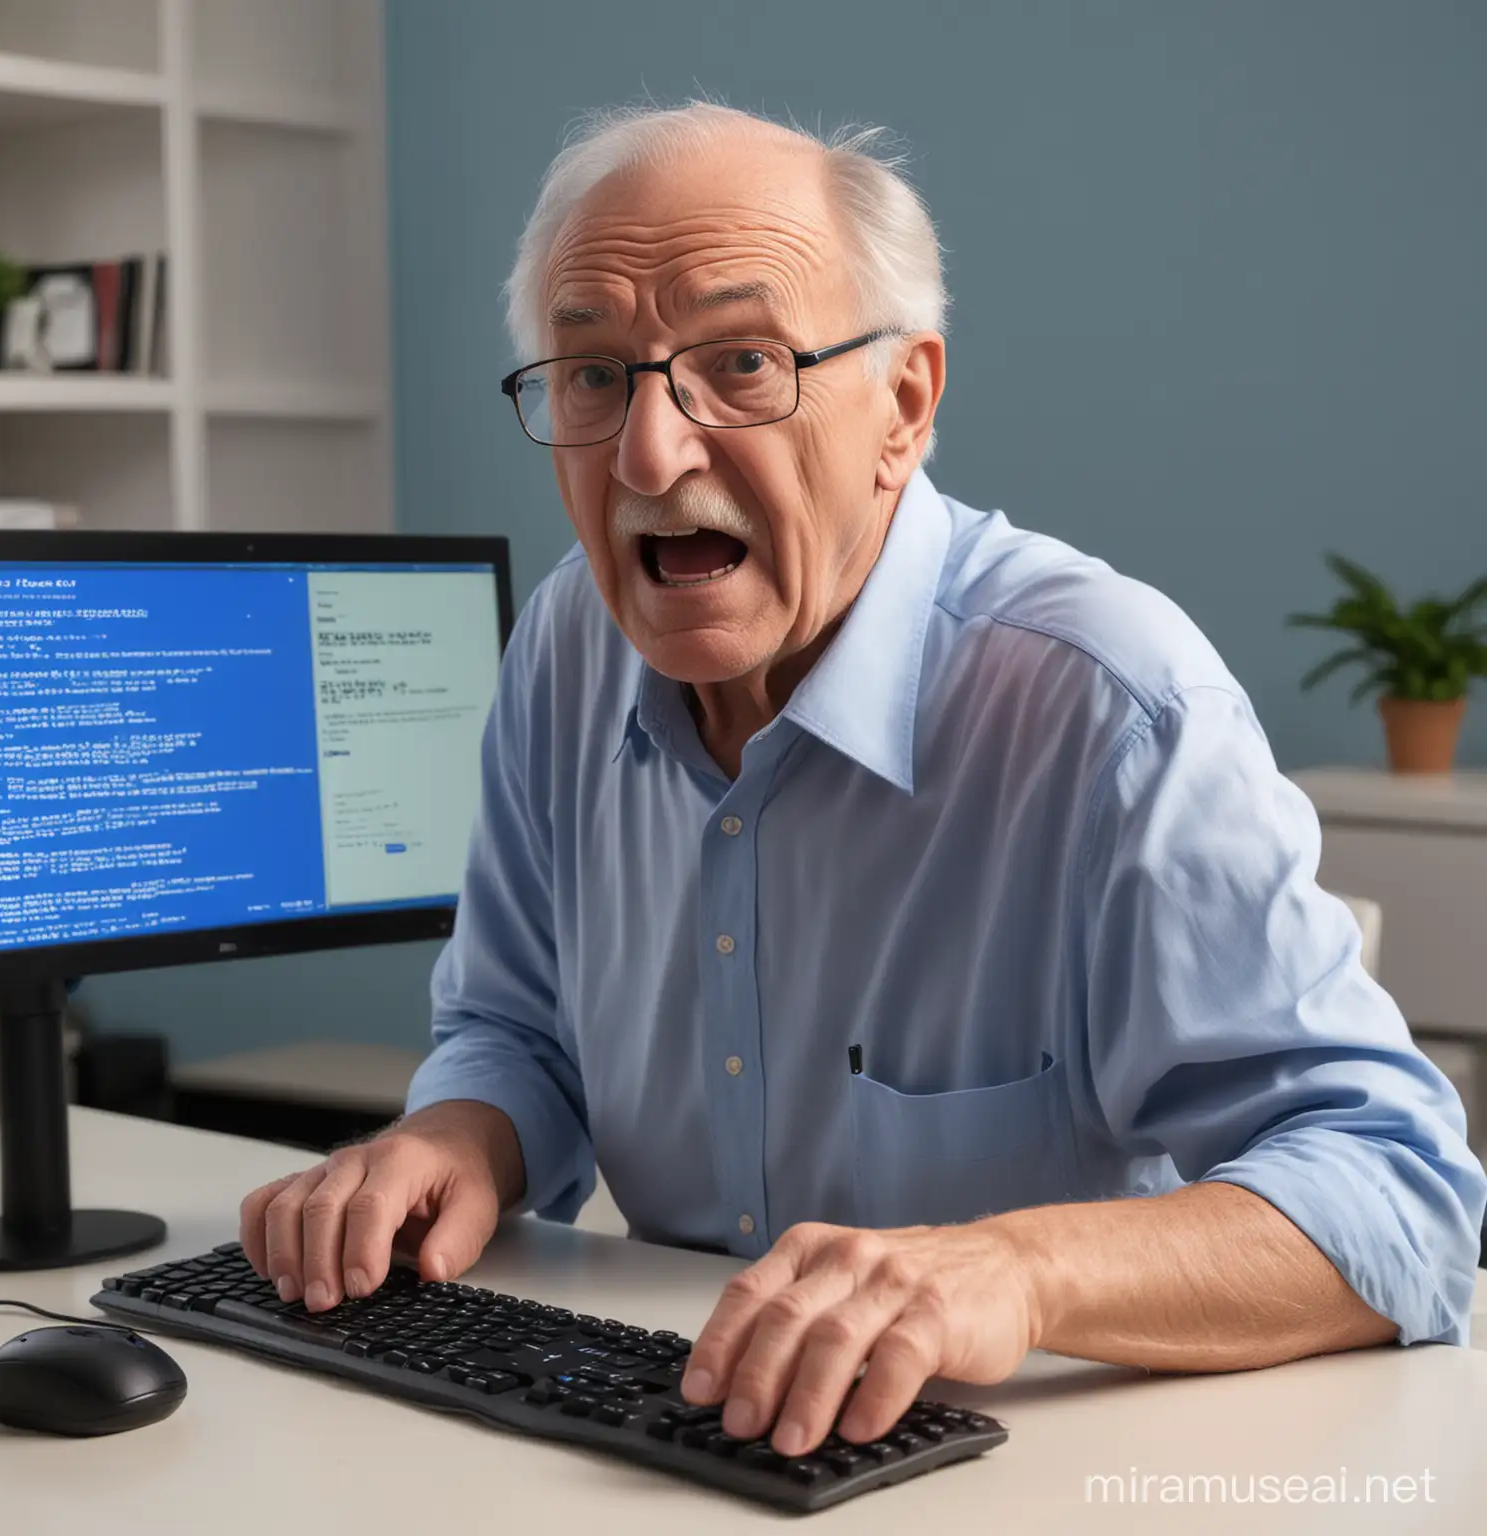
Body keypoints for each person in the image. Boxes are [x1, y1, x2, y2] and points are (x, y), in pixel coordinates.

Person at [240, 102, 1486, 1459]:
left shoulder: (1108, 704)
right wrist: (460, 1142)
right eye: (594, 376)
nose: (650, 456)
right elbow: (518, 1029)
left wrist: (1012, 1272)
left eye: (741, 362)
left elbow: (1399, 1196)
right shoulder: (566, 647)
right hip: (685, 1448)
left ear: (904, 404)